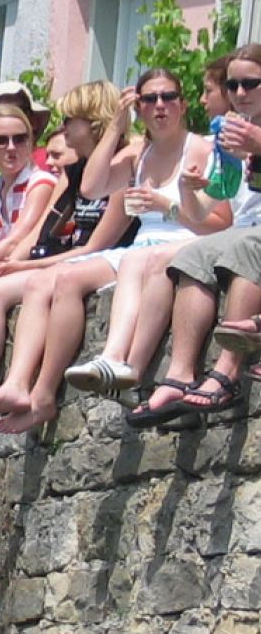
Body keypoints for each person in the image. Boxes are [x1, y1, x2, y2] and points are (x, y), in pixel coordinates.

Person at [0, 84, 137, 447]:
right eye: (0, 141)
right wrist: (12, 263)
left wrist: (23, 266)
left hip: (91, 261)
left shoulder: (123, 164)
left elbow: (93, 245)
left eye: (68, 123)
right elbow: (38, 233)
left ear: (93, 122)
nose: (60, 132)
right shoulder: (74, 171)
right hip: (57, 259)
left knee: (4, 291)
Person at [115, 47, 261, 426]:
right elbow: (208, 209)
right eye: (233, 85)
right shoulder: (229, 135)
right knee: (192, 257)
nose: (240, 93)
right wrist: (186, 189)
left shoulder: (248, 133)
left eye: (250, 83)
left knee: (242, 246)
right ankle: (180, 375)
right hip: (245, 229)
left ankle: (227, 373)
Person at [61, 67, 225, 403]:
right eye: (149, 99)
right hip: (143, 247)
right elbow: (91, 188)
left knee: (140, 259)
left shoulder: (204, 150)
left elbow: (221, 223)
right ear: (140, 107)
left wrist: (167, 206)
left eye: (168, 97)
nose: (160, 105)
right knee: (73, 275)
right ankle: (109, 360)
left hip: (188, 238)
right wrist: (116, 126)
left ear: (182, 104)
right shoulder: (139, 155)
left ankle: (122, 361)